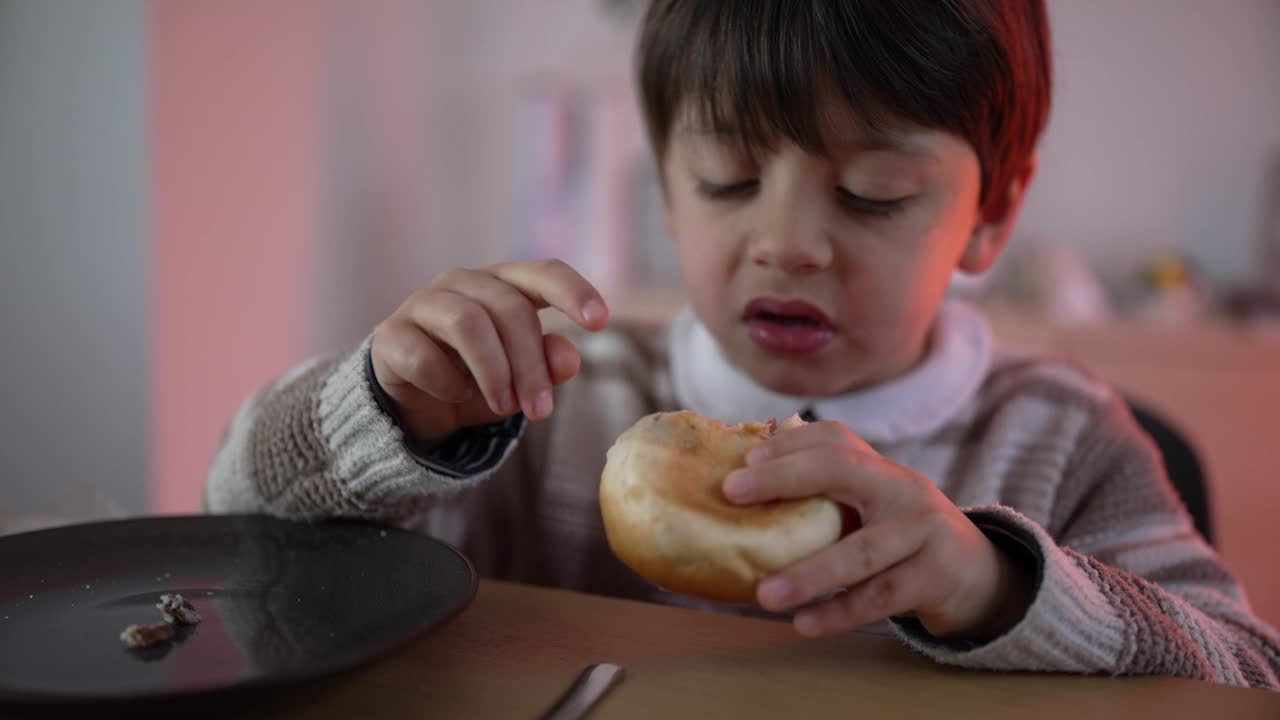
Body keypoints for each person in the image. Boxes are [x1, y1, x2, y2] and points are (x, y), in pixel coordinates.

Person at [205, 0, 1280, 688]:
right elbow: (233, 534)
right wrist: (390, 412)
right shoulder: (551, 401)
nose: (786, 245)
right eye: (726, 180)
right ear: (667, 192)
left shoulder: (1064, 436)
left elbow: (1244, 673)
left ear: (992, 211)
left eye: (871, 195)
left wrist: (994, 588)